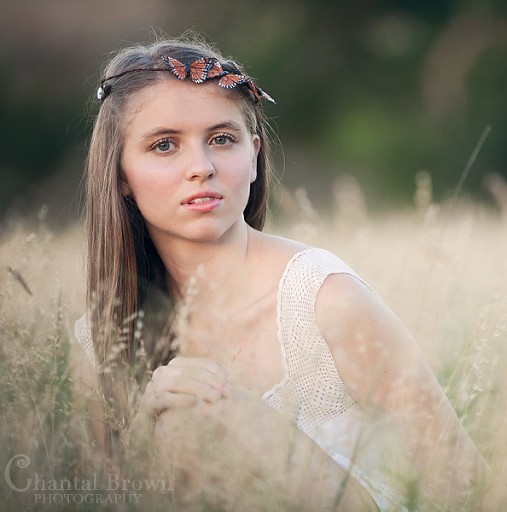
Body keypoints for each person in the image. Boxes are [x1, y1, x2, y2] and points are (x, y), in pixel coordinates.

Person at [71, 35, 485, 511]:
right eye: (165, 145)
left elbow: (469, 482)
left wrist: (234, 417)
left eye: (222, 139)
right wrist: (144, 433)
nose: (200, 167)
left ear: (253, 155)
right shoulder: (98, 342)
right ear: (120, 173)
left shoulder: (324, 300)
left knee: (196, 412)